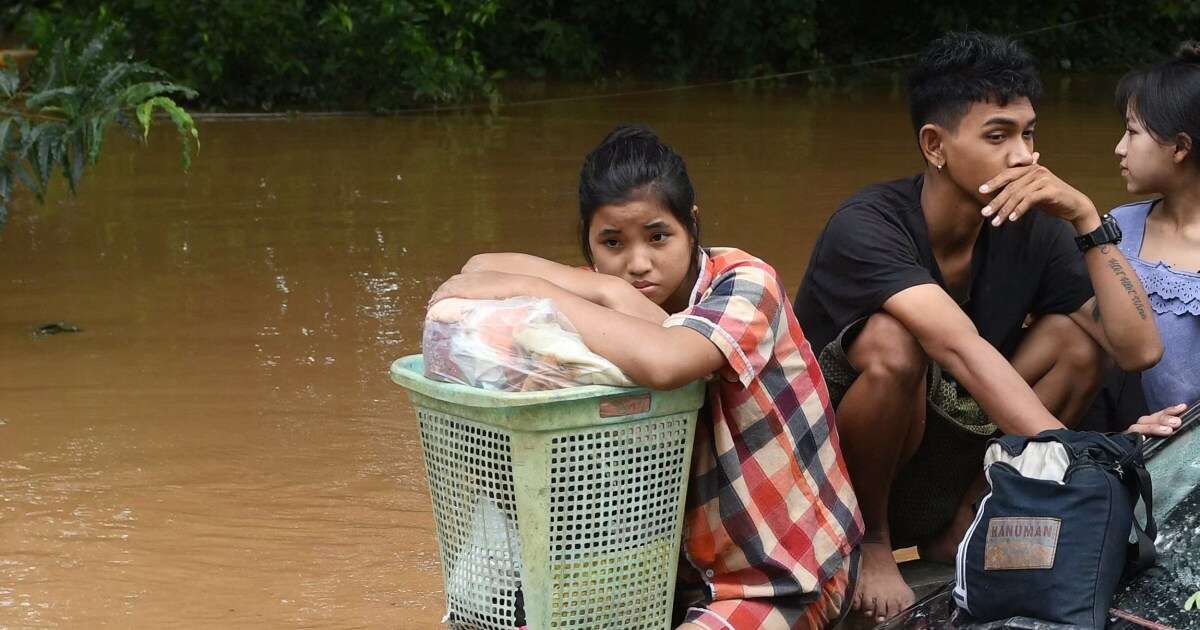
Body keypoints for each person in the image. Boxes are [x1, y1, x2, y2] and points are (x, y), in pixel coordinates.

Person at [792, 32, 1183, 622]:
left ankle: (966, 525)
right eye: (998, 136)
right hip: (834, 474)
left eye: (1029, 134)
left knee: (1077, 344)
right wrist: (1080, 463)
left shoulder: (1032, 225)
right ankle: (870, 542)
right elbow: (959, 345)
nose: (1025, 156)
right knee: (893, 343)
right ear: (935, 146)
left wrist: (1083, 217)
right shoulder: (867, 225)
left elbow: (1138, 349)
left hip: (945, 457)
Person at [430, 125, 863, 629]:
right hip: (674, 581)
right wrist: (593, 290)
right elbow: (478, 266)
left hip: (786, 576)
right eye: (612, 242)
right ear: (588, 246)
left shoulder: (746, 281)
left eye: (658, 237)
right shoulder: (594, 294)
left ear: (692, 226)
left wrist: (577, 292)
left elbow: (665, 358)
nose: (638, 264)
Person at [1105, 42, 1200, 414]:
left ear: (1180, 147)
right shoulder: (1118, 227)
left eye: (1132, 132)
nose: (1119, 148)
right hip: (1131, 435)